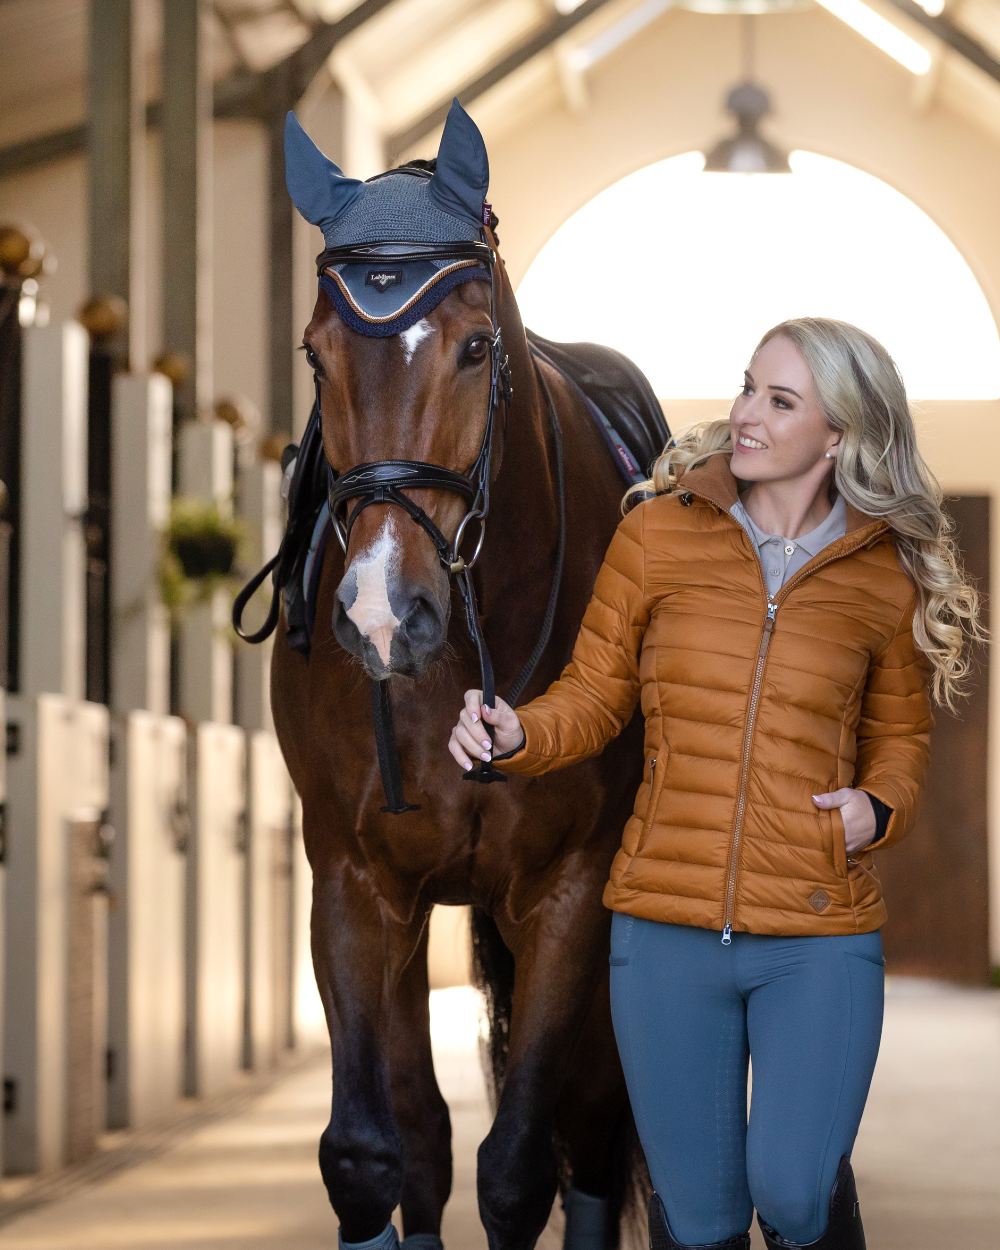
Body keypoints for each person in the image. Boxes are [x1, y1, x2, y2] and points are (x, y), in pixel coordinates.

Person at [447, 317, 988, 1250]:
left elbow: (899, 742)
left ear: (841, 435)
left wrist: (877, 809)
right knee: (696, 1218)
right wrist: (518, 732)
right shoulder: (657, 536)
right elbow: (591, 699)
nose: (746, 415)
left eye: (781, 401)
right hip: (663, 934)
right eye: (747, 388)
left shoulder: (885, 575)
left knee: (792, 1189)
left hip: (814, 933)